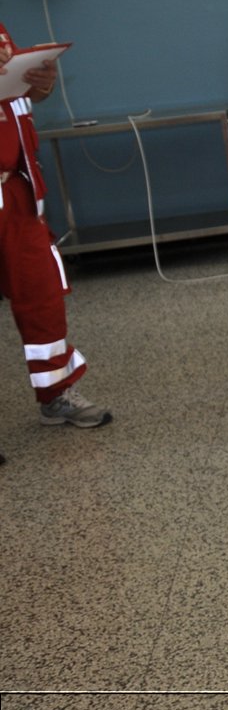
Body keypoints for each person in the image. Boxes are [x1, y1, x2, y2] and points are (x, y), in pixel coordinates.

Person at [0, 25, 105, 430]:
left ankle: (55, 393)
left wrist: (38, 85)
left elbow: (21, 98)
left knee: (41, 293)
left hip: (15, 191)